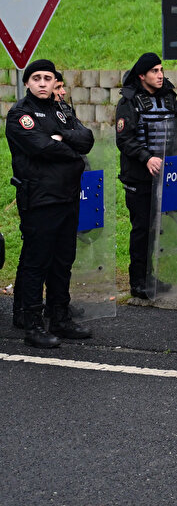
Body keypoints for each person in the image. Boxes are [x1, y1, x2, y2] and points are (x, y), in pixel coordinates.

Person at [6, 59, 94, 348]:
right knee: (37, 262)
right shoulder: (20, 114)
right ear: (28, 83)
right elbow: (41, 147)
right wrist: (72, 152)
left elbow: (87, 138)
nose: (43, 83)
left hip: (68, 197)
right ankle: (32, 325)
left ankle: (59, 318)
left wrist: (63, 137)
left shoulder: (61, 110)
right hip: (40, 199)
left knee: (62, 261)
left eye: (48, 78)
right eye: (37, 78)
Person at [115, 53, 177, 299]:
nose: (160, 74)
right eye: (154, 71)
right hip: (138, 178)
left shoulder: (169, 97)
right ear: (142, 75)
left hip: (165, 176)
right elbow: (124, 139)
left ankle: (150, 276)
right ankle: (137, 282)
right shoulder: (129, 102)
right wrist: (146, 157)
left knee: (156, 228)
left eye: (161, 69)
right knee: (141, 228)